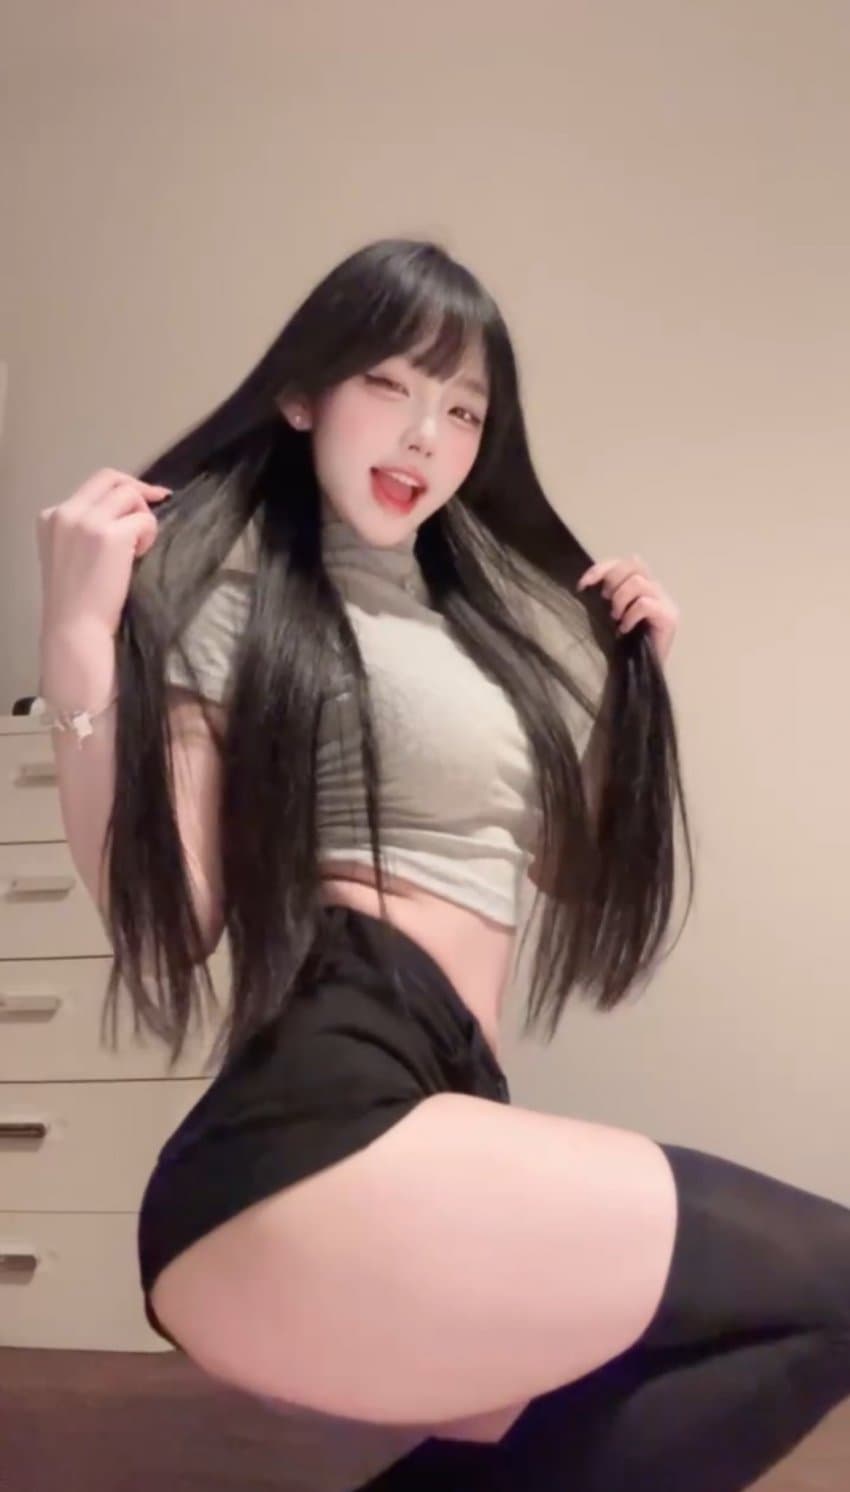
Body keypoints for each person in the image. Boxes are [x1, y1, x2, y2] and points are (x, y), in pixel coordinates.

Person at [36, 237, 849, 1491]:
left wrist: (631, 695)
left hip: (447, 1093)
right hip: (319, 1115)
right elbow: (176, 912)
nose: (426, 435)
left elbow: (568, 874)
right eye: (390, 385)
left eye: (463, 410)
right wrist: (79, 640)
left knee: (742, 1350)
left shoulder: (474, 635)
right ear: (301, 394)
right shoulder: (236, 610)